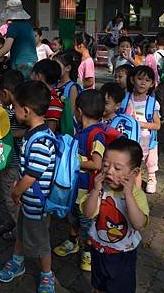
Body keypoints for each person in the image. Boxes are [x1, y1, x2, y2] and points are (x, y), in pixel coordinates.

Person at [0, 81, 57, 293]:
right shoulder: (33, 132)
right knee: (21, 232)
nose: (13, 110)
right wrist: (18, 185)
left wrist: (16, 190)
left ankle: (47, 275)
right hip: (28, 200)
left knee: (41, 242)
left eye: (15, 106)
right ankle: (17, 261)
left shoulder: (40, 138)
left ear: (26, 110)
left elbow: (33, 174)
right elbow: (27, 169)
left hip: (37, 203)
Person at [80, 137, 149, 293]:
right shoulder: (100, 190)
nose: (109, 171)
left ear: (134, 172)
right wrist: (96, 191)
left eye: (117, 168)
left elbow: (138, 224)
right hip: (98, 250)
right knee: (98, 285)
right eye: (105, 165)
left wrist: (128, 195)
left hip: (122, 255)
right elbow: (88, 213)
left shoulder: (137, 196)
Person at [53, 90, 107, 272]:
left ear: (79, 111)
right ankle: (72, 242)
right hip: (76, 187)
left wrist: (73, 161)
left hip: (88, 190)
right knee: (73, 217)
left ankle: (89, 250)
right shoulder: (81, 132)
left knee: (87, 222)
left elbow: (97, 163)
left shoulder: (96, 135)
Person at [0, 70, 25, 241]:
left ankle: (20, 232)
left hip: (12, 164)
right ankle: (16, 224)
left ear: (5, 93)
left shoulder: (12, 113)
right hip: (21, 163)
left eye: (1, 95)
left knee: (11, 199)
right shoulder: (25, 109)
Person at [0, 0, 38, 80]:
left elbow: (6, 48)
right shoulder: (28, 25)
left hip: (20, 64)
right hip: (33, 62)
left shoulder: (13, 27)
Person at [124, 66, 161, 193]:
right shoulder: (125, 99)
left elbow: (157, 125)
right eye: (139, 78)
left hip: (147, 139)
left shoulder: (152, 103)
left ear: (152, 84)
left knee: (151, 161)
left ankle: (151, 177)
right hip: (128, 136)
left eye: (147, 80)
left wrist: (140, 124)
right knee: (132, 162)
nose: (143, 82)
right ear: (132, 80)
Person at [31, 59, 64, 133]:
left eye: (33, 75)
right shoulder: (54, 96)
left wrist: (19, 132)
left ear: (39, 76)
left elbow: (49, 132)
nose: (31, 78)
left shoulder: (52, 101)